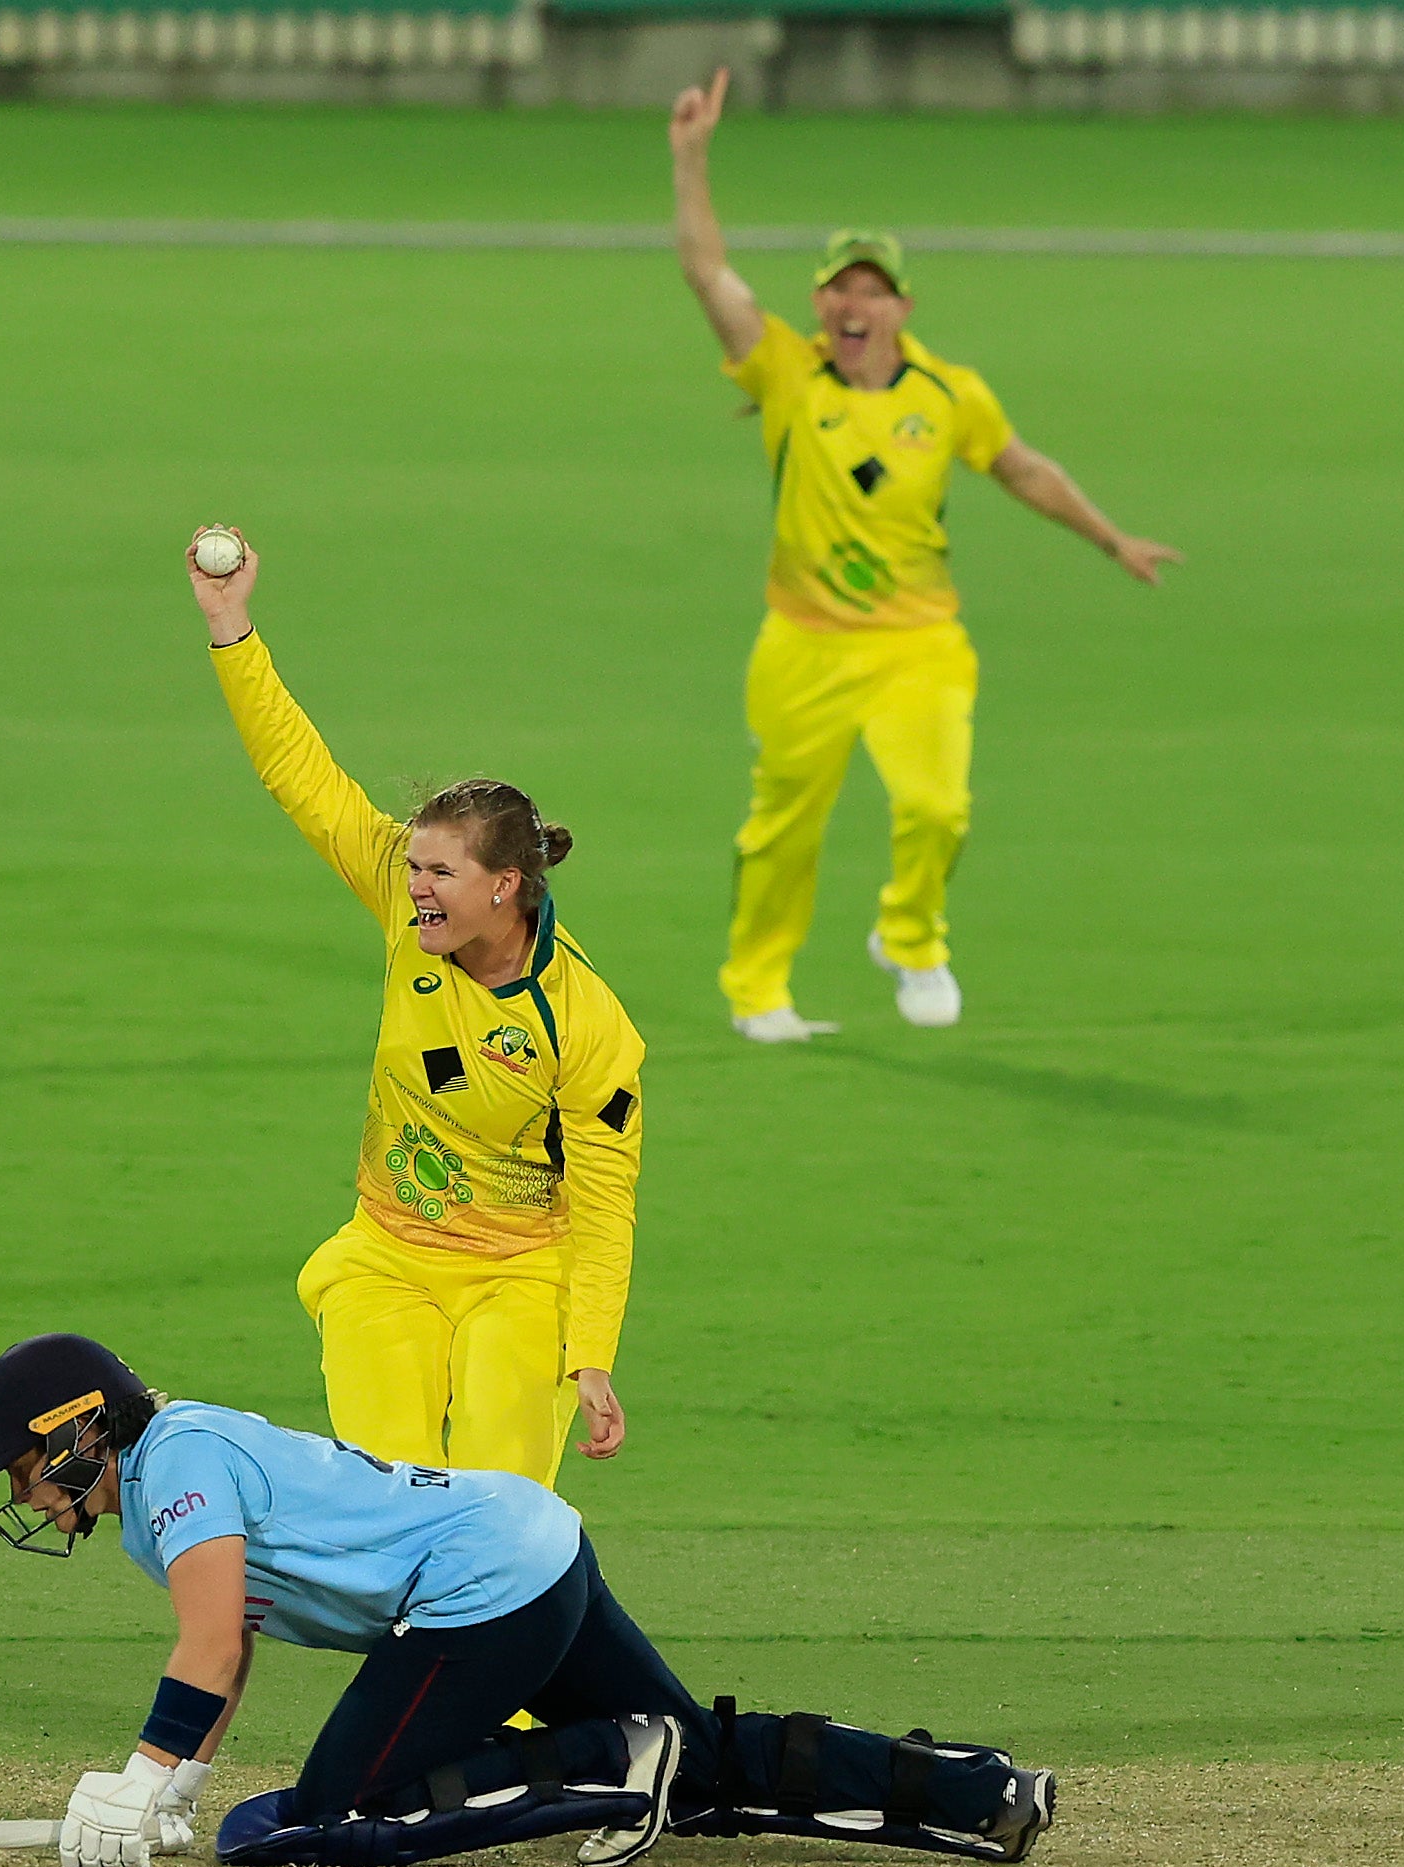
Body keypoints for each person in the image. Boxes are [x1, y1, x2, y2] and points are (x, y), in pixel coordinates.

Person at [0, 1333, 1056, 1867]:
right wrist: (181, 1782)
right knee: (701, 1770)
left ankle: (606, 1755)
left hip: (477, 1591)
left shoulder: (177, 1463)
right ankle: (977, 1788)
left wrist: (141, 1778)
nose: (26, 1493)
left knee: (305, 1825)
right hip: (529, 1548)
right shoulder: (168, 1480)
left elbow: (207, 1638)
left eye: (23, 1467)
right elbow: (232, 1637)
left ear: (75, 1430)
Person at [668, 70, 1181, 1043]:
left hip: (918, 643)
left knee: (936, 807)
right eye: (838, 288)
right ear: (819, 302)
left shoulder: (950, 396)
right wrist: (690, 156)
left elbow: (1023, 470)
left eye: (873, 291)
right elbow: (707, 273)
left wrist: (1111, 538)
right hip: (803, 645)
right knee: (780, 830)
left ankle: (909, 938)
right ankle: (757, 990)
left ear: (902, 308)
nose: (852, 306)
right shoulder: (783, 370)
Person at [190, 530, 639, 1487]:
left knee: (498, 1512)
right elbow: (303, 780)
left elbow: (604, 1202)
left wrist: (590, 1352)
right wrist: (231, 629)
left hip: (520, 1276)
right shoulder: (405, 909)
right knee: (389, 1500)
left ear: (505, 886)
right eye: (413, 865)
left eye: (442, 871)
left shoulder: (584, 1022)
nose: (417, 886)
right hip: (386, 1256)